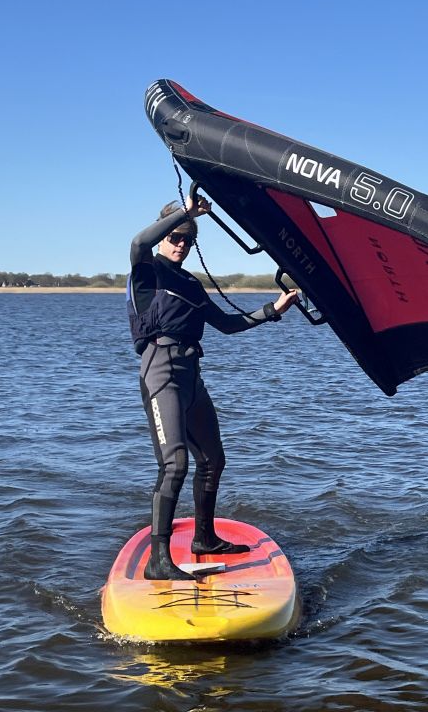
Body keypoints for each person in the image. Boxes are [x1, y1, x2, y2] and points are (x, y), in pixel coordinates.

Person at [127, 194, 298, 580]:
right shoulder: (147, 270)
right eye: (175, 236)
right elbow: (139, 242)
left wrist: (272, 310)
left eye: (188, 239)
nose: (181, 245)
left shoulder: (191, 283)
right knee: (175, 464)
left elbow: (227, 324)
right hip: (161, 372)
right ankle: (159, 560)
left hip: (191, 375)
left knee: (213, 460)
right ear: (165, 235)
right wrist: (186, 212)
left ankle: (204, 538)